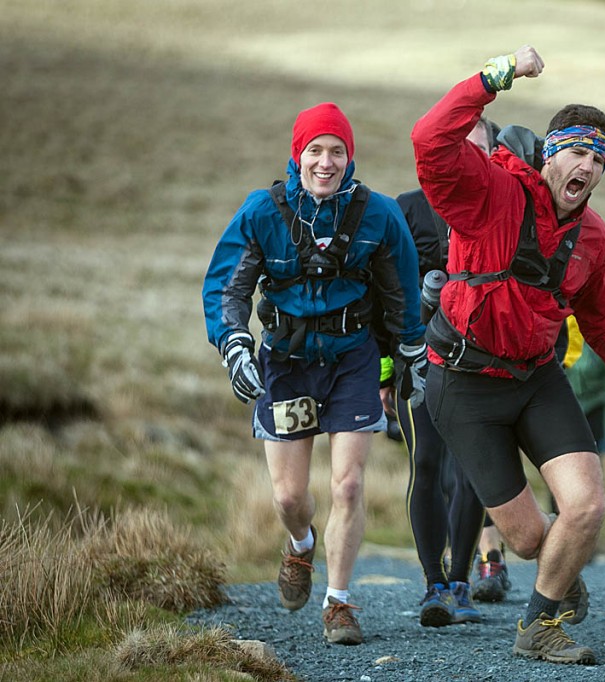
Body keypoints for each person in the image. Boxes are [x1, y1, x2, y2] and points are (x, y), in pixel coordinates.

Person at [410, 44, 605, 665]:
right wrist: (497, 75)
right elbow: (430, 142)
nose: (587, 166)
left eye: (599, 158)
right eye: (576, 150)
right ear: (549, 150)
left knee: (587, 505)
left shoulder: (597, 240)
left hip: (537, 378)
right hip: (462, 382)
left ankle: (539, 625)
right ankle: (555, 571)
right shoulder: (490, 192)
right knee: (525, 538)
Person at [202, 102, 426, 646]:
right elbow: (227, 288)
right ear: (297, 155)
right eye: (315, 151)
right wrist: (234, 344)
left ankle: (340, 604)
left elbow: (402, 289)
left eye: (337, 152)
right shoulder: (262, 212)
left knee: (348, 484)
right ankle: (300, 546)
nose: (325, 162)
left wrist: (411, 355)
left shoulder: (379, 214)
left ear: (350, 158)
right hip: (286, 364)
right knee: (288, 497)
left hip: (353, 361)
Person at [394, 118, 500, 625]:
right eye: (458, 148)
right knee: (429, 467)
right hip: (417, 364)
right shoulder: (405, 210)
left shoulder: (503, 211)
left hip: (480, 367)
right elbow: (383, 293)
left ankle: (461, 583)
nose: (467, 158)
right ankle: (433, 585)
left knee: (472, 472)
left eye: (479, 149)